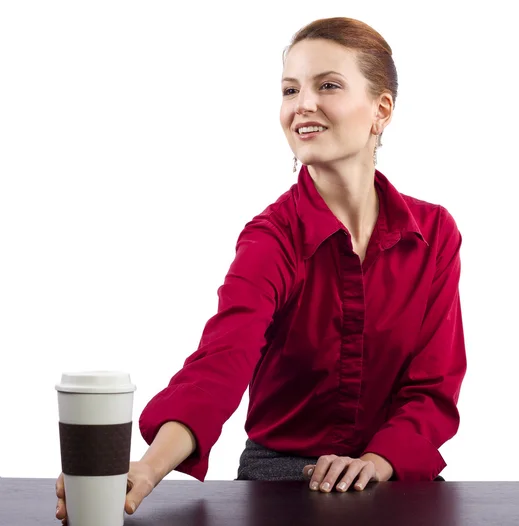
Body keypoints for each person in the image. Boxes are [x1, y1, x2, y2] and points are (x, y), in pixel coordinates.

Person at [56, 16, 466, 523]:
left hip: (395, 476)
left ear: (381, 110)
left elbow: (431, 388)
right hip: (283, 479)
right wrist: (146, 469)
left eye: (328, 86)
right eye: (290, 89)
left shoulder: (434, 234)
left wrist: (379, 462)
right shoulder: (271, 238)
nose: (302, 105)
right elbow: (220, 364)